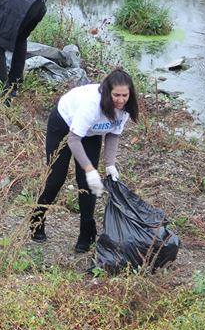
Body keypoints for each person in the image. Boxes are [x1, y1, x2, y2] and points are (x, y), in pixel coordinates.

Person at [29, 69, 139, 252]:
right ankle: (37, 220)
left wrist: (110, 164)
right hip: (64, 124)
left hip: (91, 133)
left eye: (124, 95)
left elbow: (113, 134)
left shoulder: (124, 109)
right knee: (56, 178)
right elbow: (73, 140)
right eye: (116, 95)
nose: (120, 100)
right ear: (107, 92)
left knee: (88, 185)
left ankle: (85, 233)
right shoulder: (91, 105)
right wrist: (89, 168)